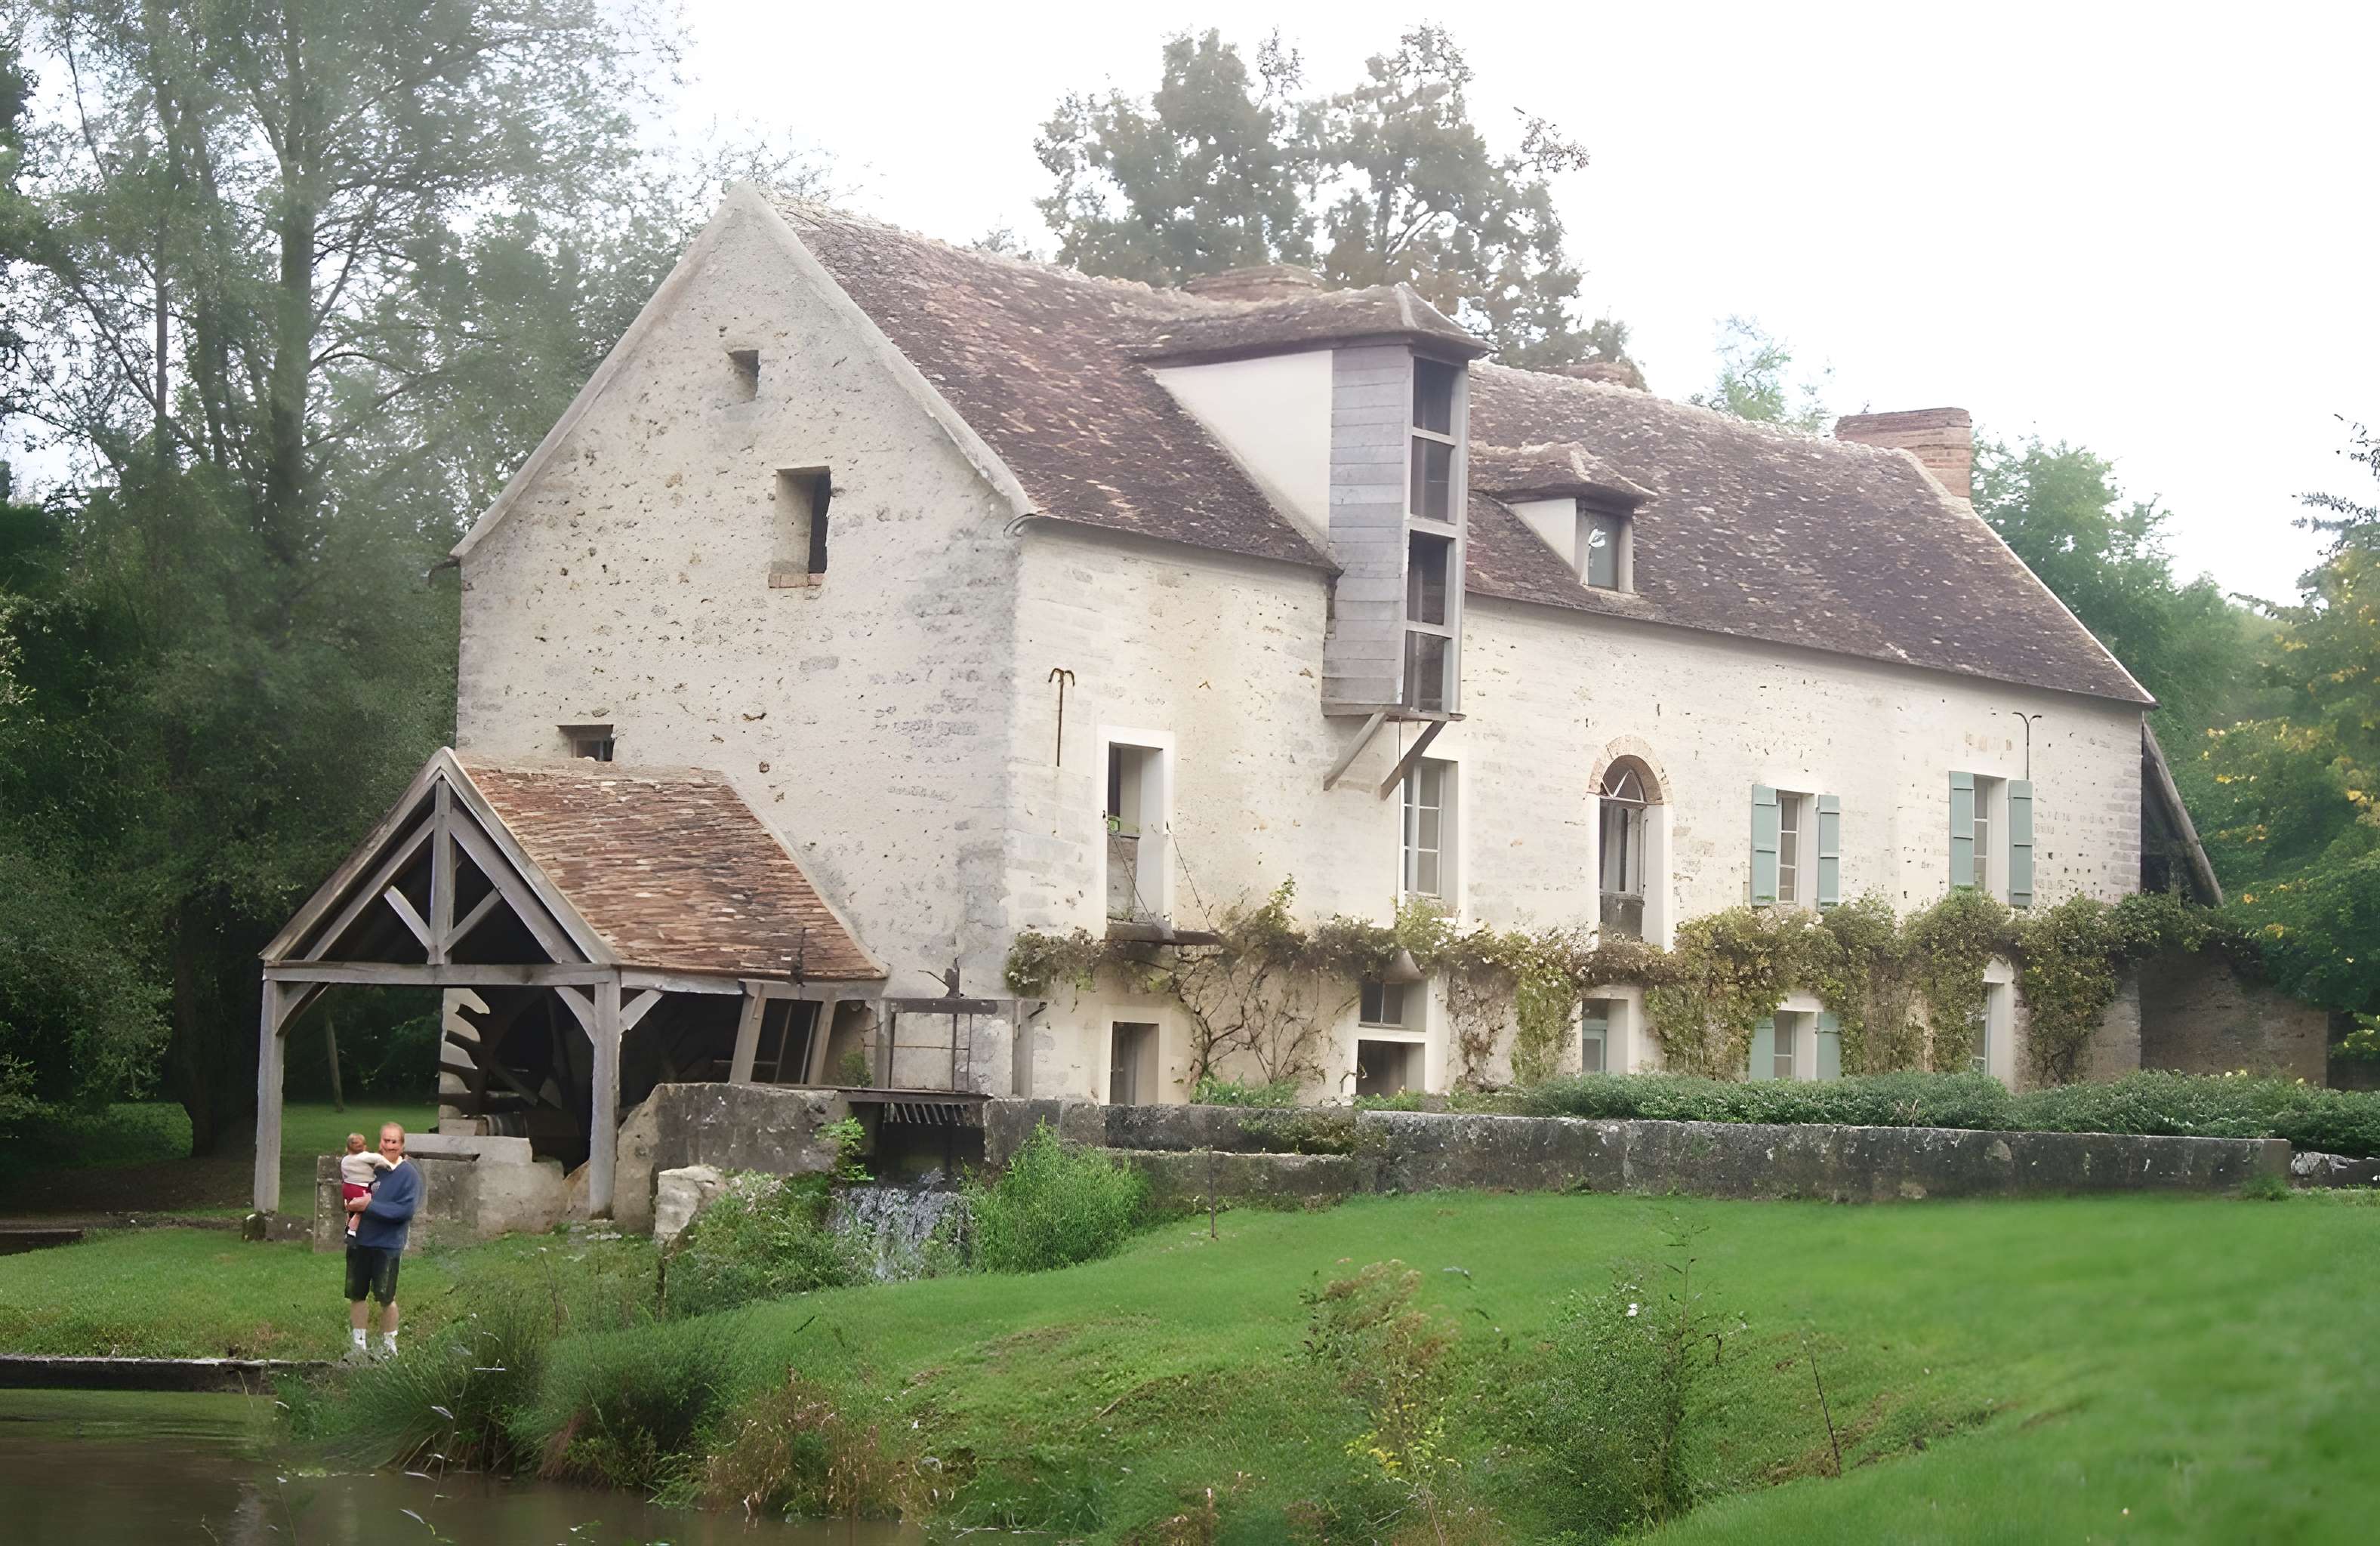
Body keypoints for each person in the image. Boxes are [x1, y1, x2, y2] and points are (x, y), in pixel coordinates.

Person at [344, 1122, 420, 1360]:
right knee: (357, 1294)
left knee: (386, 1297)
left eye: (394, 1141)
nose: (389, 1146)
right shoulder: (373, 1168)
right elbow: (353, 1191)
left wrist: (370, 1206)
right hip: (361, 1241)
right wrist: (351, 1204)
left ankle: (389, 1348)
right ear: (380, 1143)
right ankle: (359, 1346)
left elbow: (405, 1212)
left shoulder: (409, 1174)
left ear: (402, 1145)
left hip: (388, 1245)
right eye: (385, 1141)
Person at [338, 1132, 390, 1242]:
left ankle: (347, 1225)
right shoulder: (366, 1156)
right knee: (362, 1210)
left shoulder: (345, 1160)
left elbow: (344, 1175)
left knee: (351, 1210)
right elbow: (382, 1160)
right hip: (361, 1189)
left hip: (347, 1188)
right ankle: (352, 1231)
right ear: (365, 1147)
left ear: (347, 1148)